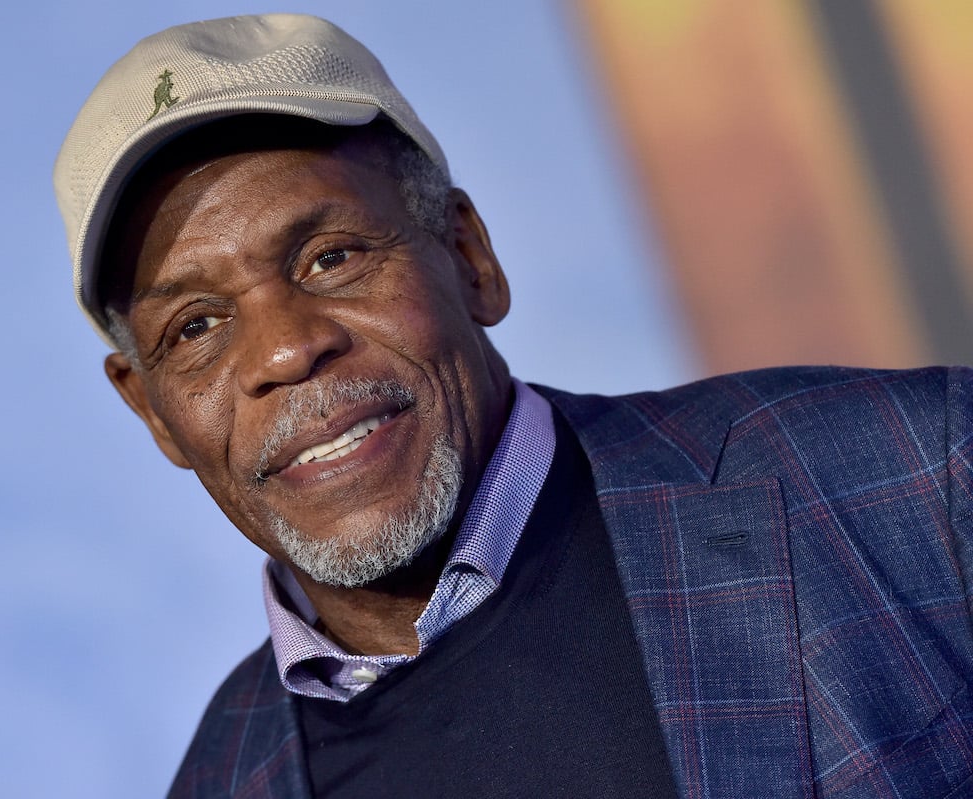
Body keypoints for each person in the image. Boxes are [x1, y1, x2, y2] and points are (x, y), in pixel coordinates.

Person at [54, 14, 973, 799]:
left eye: (329, 258)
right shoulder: (223, 777)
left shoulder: (914, 473)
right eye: (198, 325)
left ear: (470, 256)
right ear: (154, 414)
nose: (287, 349)